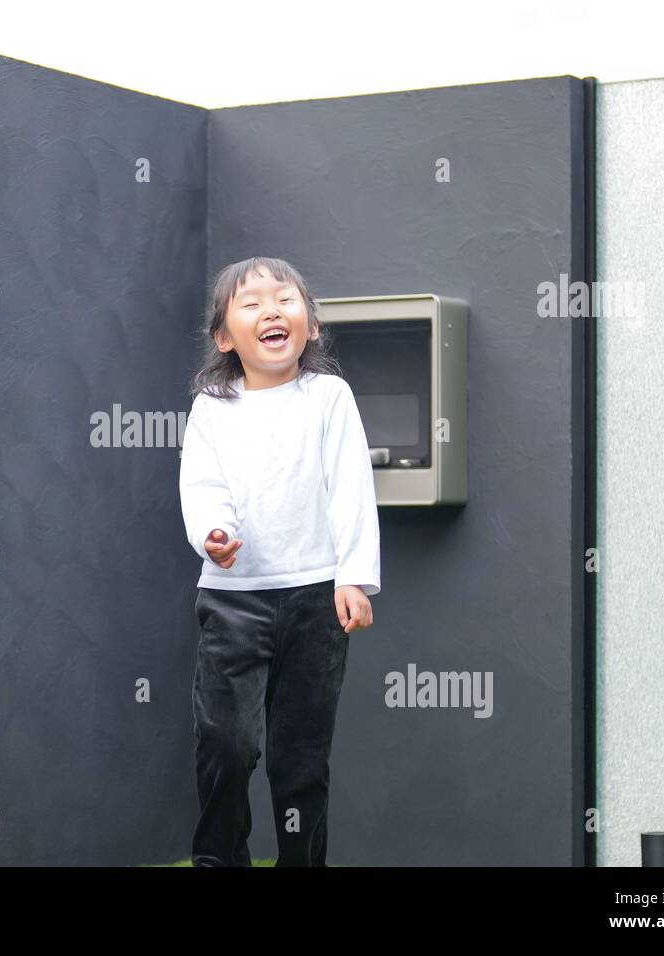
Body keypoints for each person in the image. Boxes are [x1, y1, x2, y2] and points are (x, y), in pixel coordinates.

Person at [178, 255, 381, 867]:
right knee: (227, 742)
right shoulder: (213, 406)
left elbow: (350, 487)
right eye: (251, 302)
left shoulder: (328, 397)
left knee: (300, 758)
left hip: (316, 598)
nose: (271, 310)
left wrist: (354, 577)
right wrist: (214, 533)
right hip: (234, 599)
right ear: (224, 337)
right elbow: (202, 484)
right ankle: (219, 856)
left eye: (285, 298)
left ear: (310, 324)